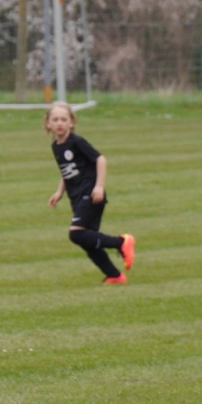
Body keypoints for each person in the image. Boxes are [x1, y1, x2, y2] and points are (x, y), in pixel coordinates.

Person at [45, 101, 135, 284]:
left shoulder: (77, 142)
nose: (60, 123)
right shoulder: (56, 146)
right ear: (48, 124)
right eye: (55, 119)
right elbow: (67, 171)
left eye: (64, 119)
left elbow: (100, 160)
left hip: (91, 194)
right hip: (77, 197)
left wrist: (99, 186)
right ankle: (115, 276)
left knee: (76, 234)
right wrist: (59, 192)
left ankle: (121, 242)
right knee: (88, 240)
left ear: (72, 122)